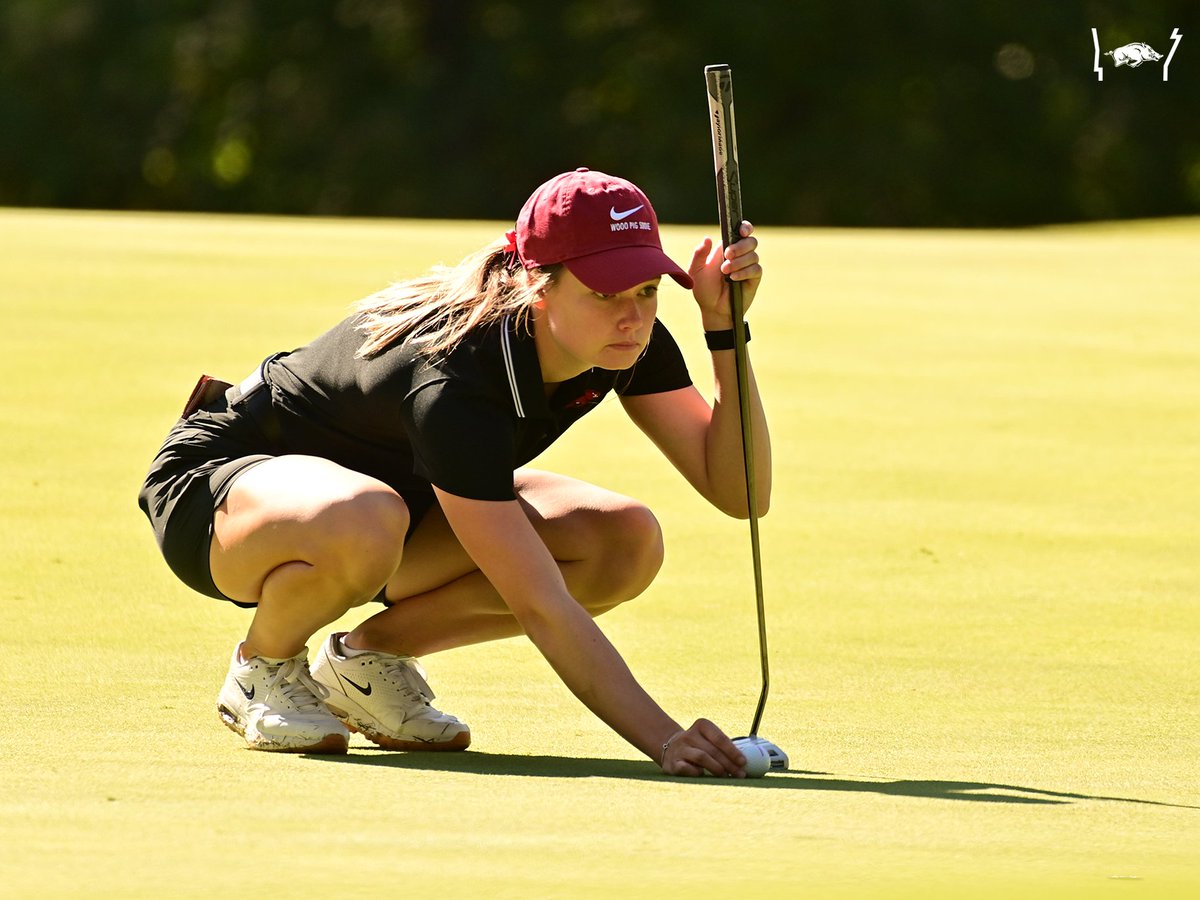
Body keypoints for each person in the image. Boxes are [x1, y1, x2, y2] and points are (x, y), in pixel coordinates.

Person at [138, 167, 769, 777]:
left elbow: (740, 493)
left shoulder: (627, 340)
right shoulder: (457, 377)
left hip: (395, 509)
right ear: (538, 284)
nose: (631, 316)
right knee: (366, 517)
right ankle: (264, 666)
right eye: (602, 293)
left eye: (646, 290)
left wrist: (724, 327)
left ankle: (365, 664)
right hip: (222, 488)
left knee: (622, 542)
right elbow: (540, 602)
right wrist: (664, 738)